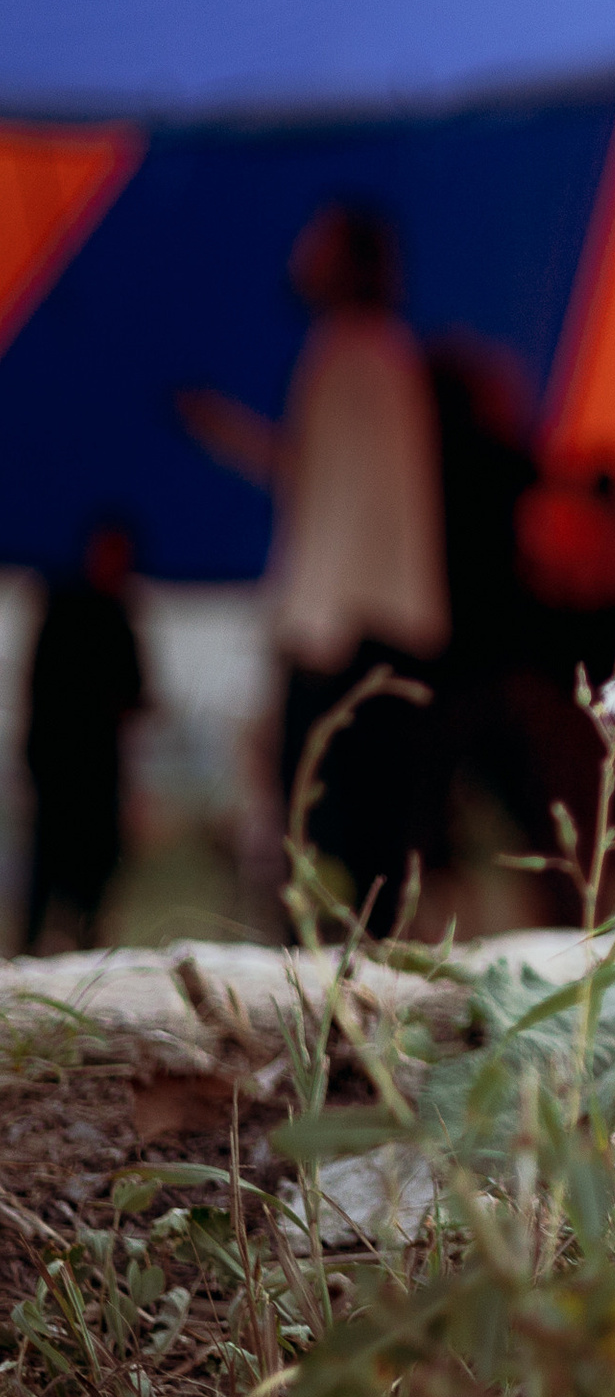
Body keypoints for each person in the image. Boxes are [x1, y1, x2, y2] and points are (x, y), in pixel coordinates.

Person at [181, 204, 449, 929]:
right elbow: (318, 474)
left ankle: (345, 997)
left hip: (354, 634)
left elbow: (349, 501)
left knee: (341, 836)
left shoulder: (359, 353)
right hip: (364, 627)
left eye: (318, 244)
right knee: (354, 845)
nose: (300, 256)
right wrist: (226, 433)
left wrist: (316, 632)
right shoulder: (369, 353)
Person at [20, 521, 149, 950]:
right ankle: (33, 951)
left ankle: (86, 946)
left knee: (94, 868)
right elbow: (40, 687)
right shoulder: (64, 607)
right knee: (48, 864)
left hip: (98, 768)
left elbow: (137, 694)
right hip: (59, 764)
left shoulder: (120, 615)